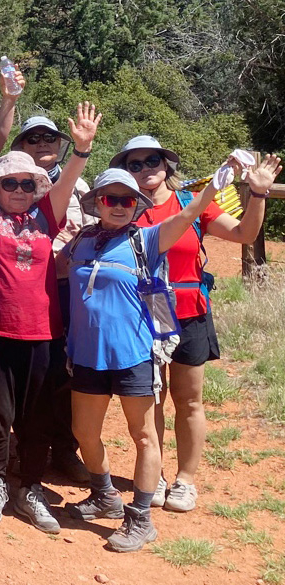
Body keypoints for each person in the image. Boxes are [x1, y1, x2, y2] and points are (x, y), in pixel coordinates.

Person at [61, 166, 222, 552]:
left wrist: (212, 190)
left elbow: (185, 216)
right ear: (97, 202)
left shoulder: (147, 239)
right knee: (84, 433)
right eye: (110, 198)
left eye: (127, 200)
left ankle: (141, 518)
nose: (118, 206)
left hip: (133, 354)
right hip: (86, 354)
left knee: (145, 435)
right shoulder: (81, 240)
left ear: (137, 206)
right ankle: (104, 495)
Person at [123, 136, 281, 512]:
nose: (145, 169)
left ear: (167, 166)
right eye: (135, 164)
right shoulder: (122, 207)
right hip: (146, 312)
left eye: (152, 161)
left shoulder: (190, 205)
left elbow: (245, 235)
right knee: (151, 399)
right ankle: (155, 475)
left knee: (189, 399)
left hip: (189, 309)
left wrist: (257, 194)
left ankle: (185, 481)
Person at [0, 103, 101, 536]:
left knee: (37, 413)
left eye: (28, 183)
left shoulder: (46, 216)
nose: (20, 189)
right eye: (11, 183)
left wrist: (81, 149)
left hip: (42, 330)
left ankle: (31, 487)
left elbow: (67, 183)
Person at [0, 72, 93, 482]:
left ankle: (61, 449)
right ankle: (16, 452)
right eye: (33, 139)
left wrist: (82, 149)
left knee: (62, 378)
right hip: (21, 300)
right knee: (15, 384)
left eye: (50, 137)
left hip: (68, 294)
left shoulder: (73, 186)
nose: (43, 144)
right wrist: (6, 104)